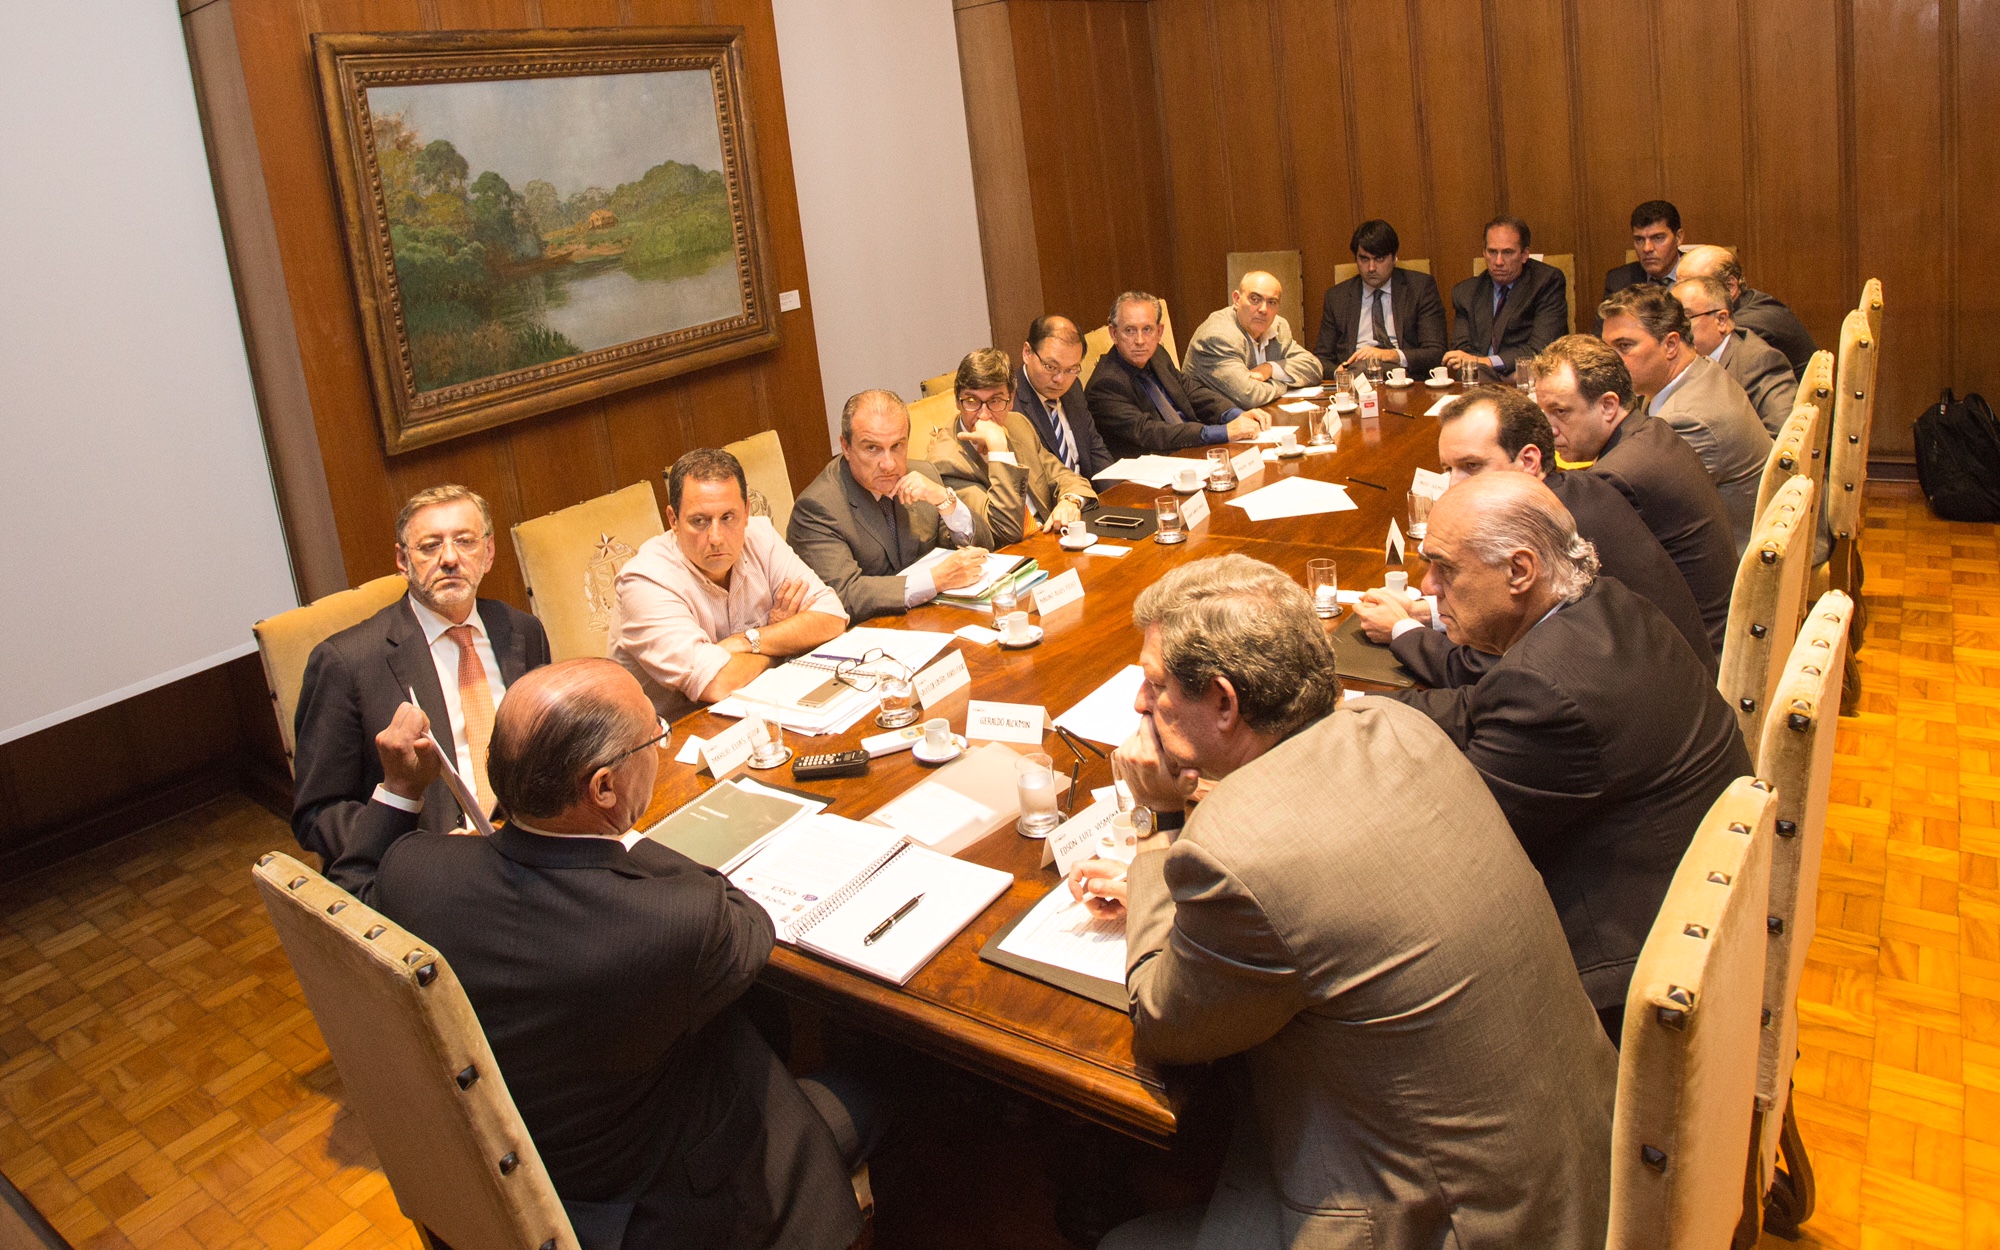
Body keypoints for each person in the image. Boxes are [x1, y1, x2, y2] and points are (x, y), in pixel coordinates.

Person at [1071, 555, 1615, 1250]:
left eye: (1154, 686)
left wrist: (1159, 824)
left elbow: (1163, 1022)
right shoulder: (1397, 726)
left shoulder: (1235, 853)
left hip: (1457, 1222)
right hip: (1575, 1157)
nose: (1142, 707)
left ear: (1226, 702)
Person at [326, 659, 866, 1250]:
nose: (658, 748)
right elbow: (748, 923)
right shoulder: (674, 924)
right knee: (889, 1084)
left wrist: (401, 786)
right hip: (659, 1208)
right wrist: (626, 838)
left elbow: (352, 895)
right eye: (654, 737)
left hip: (518, 1179)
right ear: (604, 787)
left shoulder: (420, 873)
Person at [1377, 473, 1751, 1036]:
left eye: (1445, 568)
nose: (1428, 588)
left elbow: (1440, 853)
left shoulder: (1547, 689)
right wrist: (1356, 717)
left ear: (1520, 571)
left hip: (1618, 986)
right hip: (1683, 910)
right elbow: (1479, 706)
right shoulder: (1603, 607)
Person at [1355, 385, 1715, 679]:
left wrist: (1403, 631)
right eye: (1448, 468)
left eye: (1471, 466)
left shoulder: (1552, 529)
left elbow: (1497, 671)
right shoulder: (1574, 490)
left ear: (1528, 461)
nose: (1453, 486)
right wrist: (1427, 613)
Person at [291, 484, 551, 865]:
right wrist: (421, 853)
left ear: (489, 552)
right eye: (430, 546)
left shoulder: (522, 631)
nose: (449, 558)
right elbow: (318, 815)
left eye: (465, 541)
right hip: (425, 869)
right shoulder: (345, 663)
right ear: (402, 560)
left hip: (528, 851)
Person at [1531, 335, 1738, 654]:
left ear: (1608, 406)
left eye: (1560, 411)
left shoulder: (1616, 478)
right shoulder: (1651, 431)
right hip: (1714, 626)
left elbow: (1572, 599)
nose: (1548, 429)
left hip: (1694, 653)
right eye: (1542, 411)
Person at [609, 449, 847, 720]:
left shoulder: (760, 538)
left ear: (746, 513)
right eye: (699, 521)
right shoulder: (645, 582)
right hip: (675, 738)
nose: (716, 537)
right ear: (673, 520)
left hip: (757, 709)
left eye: (727, 518)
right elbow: (719, 683)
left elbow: (832, 617)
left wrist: (748, 640)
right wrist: (781, 643)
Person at [788, 389, 994, 620]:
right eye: (872, 448)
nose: (888, 464)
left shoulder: (923, 474)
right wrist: (935, 580)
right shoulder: (817, 508)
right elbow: (844, 595)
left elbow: (983, 547)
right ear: (846, 447)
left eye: (897, 446)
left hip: (929, 621)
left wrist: (946, 501)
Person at [1600, 283, 1772, 554]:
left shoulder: (1687, 421)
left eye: (1624, 346)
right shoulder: (1699, 372)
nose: (1610, 361)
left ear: (1670, 344)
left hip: (1727, 567)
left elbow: (1635, 516)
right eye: (1607, 348)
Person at [924, 348, 1097, 545]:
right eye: (971, 401)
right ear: (957, 400)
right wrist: (999, 452)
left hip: (1049, 538)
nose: (984, 415)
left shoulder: (1017, 425)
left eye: (995, 401)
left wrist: (1070, 501)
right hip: (1008, 559)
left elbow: (1067, 478)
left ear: (1011, 399)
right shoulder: (947, 461)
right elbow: (1005, 531)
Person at [1084, 291, 1264, 459]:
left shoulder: (1157, 354)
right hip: (1154, 466)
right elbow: (1149, 432)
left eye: (1147, 329)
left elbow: (1190, 390)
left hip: (1192, 449)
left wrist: (1234, 414)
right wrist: (1223, 431)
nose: (1140, 341)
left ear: (1159, 332)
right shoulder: (1105, 384)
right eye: (1130, 330)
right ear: (1114, 333)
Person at [1312, 218, 1448, 377]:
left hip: (1404, 377)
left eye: (1379, 259)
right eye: (1364, 259)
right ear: (1356, 259)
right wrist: (1338, 373)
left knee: (1365, 368)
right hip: (1354, 376)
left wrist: (1391, 355)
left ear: (1394, 258)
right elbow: (1321, 358)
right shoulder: (1337, 297)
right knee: (1361, 369)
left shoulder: (1420, 288)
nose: (1371, 268)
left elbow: (1435, 352)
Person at [1445, 215, 1569, 382]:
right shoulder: (1465, 292)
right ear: (1484, 252)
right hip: (1486, 378)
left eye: (1508, 252)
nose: (1498, 261)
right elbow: (1462, 353)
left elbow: (1540, 349)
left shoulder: (1546, 282)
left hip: (1530, 378)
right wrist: (1494, 373)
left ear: (1525, 254)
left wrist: (1486, 362)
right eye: (1492, 252)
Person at [1673, 274, 1800, 435]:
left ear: (1721, 320)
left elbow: (1783, 438)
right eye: (1670, 320)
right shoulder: (1676, 359)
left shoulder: (1759, 362)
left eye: (1685, 318)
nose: (1673, 330)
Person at [1185, 269, 1324, 408]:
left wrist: (1270, 369)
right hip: (1214, 424)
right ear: (1236, 299)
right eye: (1255, 299)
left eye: (1271, 302)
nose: (1263, 309)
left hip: (1260, 419)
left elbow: (1314, 367)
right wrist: (1287, 384)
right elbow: (1250, 395)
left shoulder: (1278, 327)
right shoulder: (1219, 336)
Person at [1679, 244, 1818, 377]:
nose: (1680, 294)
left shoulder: (1750, 324)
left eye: (1693, 285)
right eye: (1678, 284)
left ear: (1730, 286)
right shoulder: (1742, 304)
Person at [1015, 315, 1113, 480]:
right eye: (1051, 367)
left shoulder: (1073, 388)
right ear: (1027, 353)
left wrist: (1116, 494)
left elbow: (1094, 448)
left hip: (1089, 498)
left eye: (1071, 369)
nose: (1060, 379)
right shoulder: (1011, 404)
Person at [1599, 199, 1684, 306]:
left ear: (1678, 237)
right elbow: (1607, 322)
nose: (1647, 248)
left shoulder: (1702, 275)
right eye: (1639, 239)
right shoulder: (1619, 281)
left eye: (1658, 238)